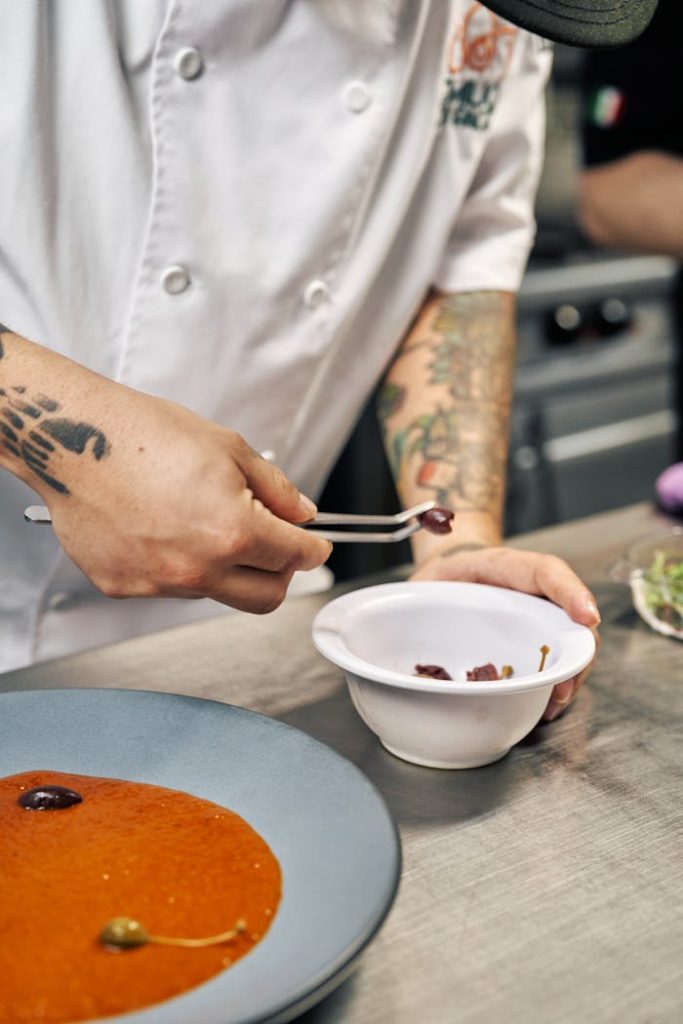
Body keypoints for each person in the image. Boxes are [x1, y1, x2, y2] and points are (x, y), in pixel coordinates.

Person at [0, 1, 656, 720]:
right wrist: (73, 456)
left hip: (241, 638)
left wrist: (456, 545)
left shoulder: (495, 13)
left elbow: (460, 273)